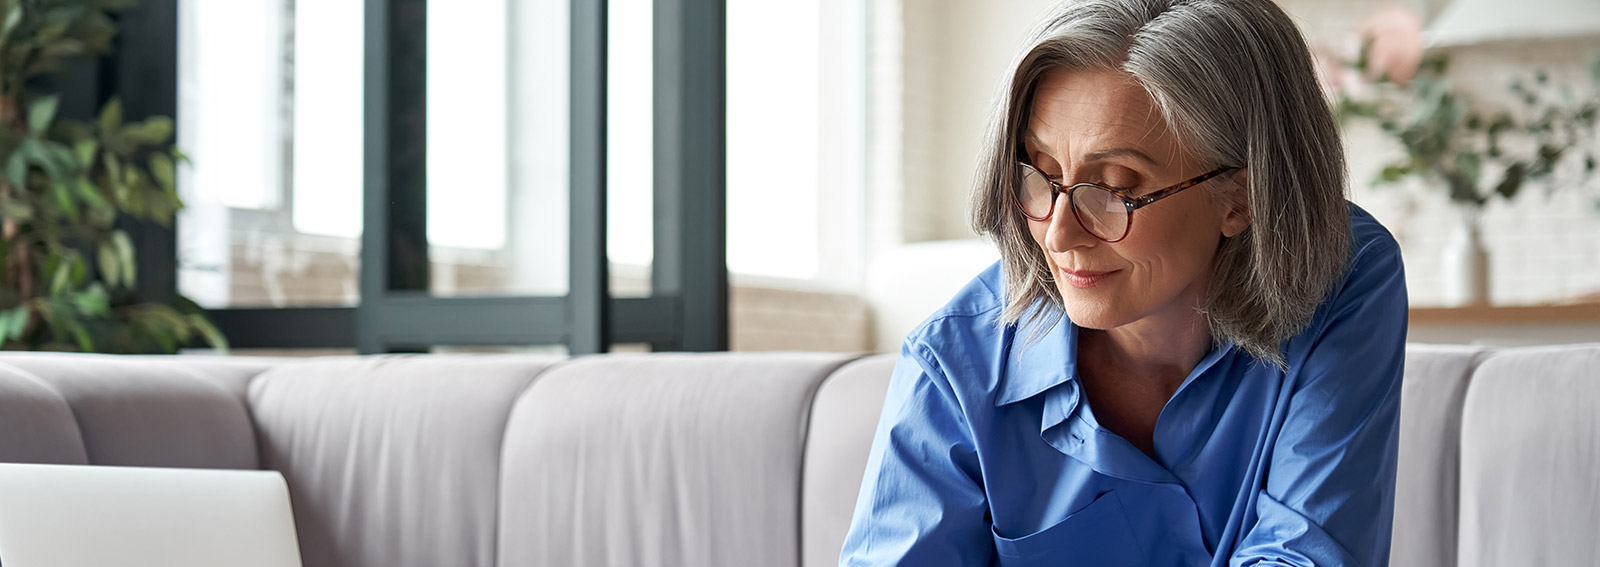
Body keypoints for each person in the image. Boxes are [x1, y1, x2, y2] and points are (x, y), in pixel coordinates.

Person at [838, 0, 1407, 565]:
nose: (1059, 235)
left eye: (1113, 189)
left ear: (1242, 197)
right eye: (1041, 175)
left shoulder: (1343, 274)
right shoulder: (951, 366)